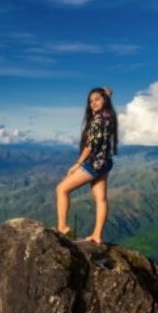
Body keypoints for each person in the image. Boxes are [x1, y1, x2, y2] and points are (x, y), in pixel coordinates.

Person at [55, 86, 118, 244]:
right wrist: (107, 94)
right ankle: (97, 235)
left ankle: (62, 227)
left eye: (97, 99)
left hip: (94, 164)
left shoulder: (97, 120)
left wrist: (77, 164)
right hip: (105, 162)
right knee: (101, 199)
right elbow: (108, 94)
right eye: (91, 101)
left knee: (62, 189)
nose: (93, 103)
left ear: (105, 100)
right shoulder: (109, 116)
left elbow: (89, 146)